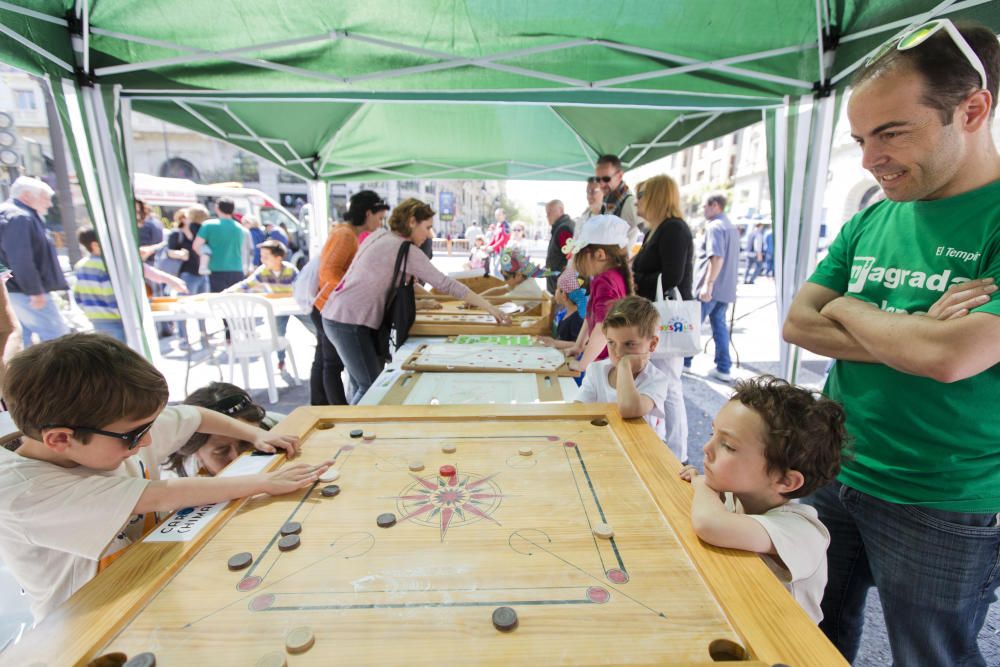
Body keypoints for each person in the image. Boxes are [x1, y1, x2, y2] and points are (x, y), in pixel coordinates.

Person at [782, 20, 1000, 665]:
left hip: (944, 499)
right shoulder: (875, 214)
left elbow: (951, 357)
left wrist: (850, 309)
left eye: (892, 132)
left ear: (972, 110)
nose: (870, 159)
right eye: (859, 139)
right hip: (834, 469)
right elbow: (797, 322)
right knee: (810, 632)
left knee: (931, 654)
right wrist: (914, 333)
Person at [0, 333, 329, 623]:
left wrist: (253, 435)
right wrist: (262, 483)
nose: (146, 442)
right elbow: (160, 495)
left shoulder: (107, 424)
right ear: (60, 439)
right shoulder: (23, 492)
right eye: (134, 435)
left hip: (147, 582)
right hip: (84, 621)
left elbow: (196, 416)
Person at [678, 376, 846, 624]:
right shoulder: (736, 495)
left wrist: (702, 484)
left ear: (785, 481)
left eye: (728, 446)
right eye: (713, 433)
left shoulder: (802, 532)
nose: (706, 448)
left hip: (785, 647)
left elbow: (709, 524)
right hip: (744, 615)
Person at [322, 198, 511, 404]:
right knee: (371, 387)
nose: (429, 234)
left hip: (336, 313)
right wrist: (489, 308)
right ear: (412, 221)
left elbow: (399, 280)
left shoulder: (380, 236)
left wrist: (429, 300)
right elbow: (446, 283)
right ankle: (352, 431)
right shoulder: (405, 249)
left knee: (362, 383)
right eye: (427, 227)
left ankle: (355, 426)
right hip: (349, 320)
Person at [632, 175, 695, 463]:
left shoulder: (674, 229)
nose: (638, 201)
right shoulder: (656, 230)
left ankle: (677, 453)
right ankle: (664, 446)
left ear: (657, 196)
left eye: (642, 194)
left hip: (667, 319)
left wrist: (637, 277)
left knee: (669, 383)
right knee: (659, 379)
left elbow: (672, 276)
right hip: (654, 316)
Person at [311, 190, 389, 406]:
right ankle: (339, 413)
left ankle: (336, 410)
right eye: (379, 218)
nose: (380, 223)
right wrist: (352, 293)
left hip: (332, 307)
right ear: (367, 213)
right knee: (335, 366)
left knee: (339, 368)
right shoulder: (344, 234)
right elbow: (328, 272)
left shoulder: (347, 233)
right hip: (332, 308)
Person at [544, 214, 633, 374]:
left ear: (599, 255)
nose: (578, 261)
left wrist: (582, 364)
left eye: (581, 253)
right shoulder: (605, 277)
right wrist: (578, 346)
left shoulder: (606, 281)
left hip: (604, 363)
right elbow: (591, 315)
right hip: (602, 358)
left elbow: (602, 328)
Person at [574, 295, 669, 439]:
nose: (618, 353)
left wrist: (624, 365)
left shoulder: (656, 380)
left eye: (629, 344)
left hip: (641, 452)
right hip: (604, 444)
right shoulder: (596, 371)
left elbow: (629, 409)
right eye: (611, 342)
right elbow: (578, 409)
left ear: (652, 344)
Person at [0, 177, 69, 346]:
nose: (49, 204)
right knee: (59, 341)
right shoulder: (19, 217)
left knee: (21, 341)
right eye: (45, 198)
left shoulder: (14, 215)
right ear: (27, 196)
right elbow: (21, 258)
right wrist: (34, 291)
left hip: (14, 290)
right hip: (24, 291)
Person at [162, 382, 280, 478]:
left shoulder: (280, 425)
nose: (237, 458)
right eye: (222, 451)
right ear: (196, 454)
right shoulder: (174, 483)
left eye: (247, 443)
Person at [684, 194, 740, 382]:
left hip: (711, 288)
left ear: (715, 205)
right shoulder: (730, 226)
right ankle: (723, 366)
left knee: (693, 325)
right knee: (719, 326)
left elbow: (716, 257)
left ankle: (685, 361)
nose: (702, 210)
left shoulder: (715, 227)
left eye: (704, 206)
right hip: (725, 288)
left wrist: (708, 285)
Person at [225, 239, 298, 371]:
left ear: (278, 258)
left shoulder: (290, 270)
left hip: (295, 305)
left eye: (266, 257)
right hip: (278, 308)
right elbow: (245, 285)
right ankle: (281, 360)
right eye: (261, 256)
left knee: (315, 328)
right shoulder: (263, 271)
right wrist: (226, 292)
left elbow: (301, 287)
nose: (262, 259)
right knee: (279, 333)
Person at [73, 228, 126, 343]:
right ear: (95, 245)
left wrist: (89, 311)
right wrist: (124, 314)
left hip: (95, 318)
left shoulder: (80, 266)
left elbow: (77, 296)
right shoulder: (104, 266)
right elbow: (110, 295)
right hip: (114, 319)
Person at [168, 204, 211, 346]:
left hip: (201, 274)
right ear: (182, 219)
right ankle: (183, 337)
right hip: (186, 274)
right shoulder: (176, 234)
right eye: (186, 217)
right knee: (183, 307)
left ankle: (204, 335)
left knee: (202, 308)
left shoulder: (200, 231)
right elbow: (168, 251)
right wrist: (179, 254)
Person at [193, 197, 249, 293]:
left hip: (216, 270)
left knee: (218, 303)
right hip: (237, 270)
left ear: (217, 208)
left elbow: (196, 246)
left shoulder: (208, 225)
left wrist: (205, 255)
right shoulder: (241, 228)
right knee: (235, 302)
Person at [594, 155, 640, 246]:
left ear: (619, 176)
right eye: (598, 179)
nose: (602, 184)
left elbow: (650, 232)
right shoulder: (605, 203)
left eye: (606, 179)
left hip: (621, 259)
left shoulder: (630, 202)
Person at [544, 199, 574, 294]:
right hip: (558, 287)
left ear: (560, 210)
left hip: (560, 290)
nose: (547, 216)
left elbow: (571, 259)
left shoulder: (563, 230)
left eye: (550, 212)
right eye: (546, 213)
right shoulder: (561, 227)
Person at [486, 208, 510, 277]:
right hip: (496, 252)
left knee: (498, 271)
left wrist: (493, 247)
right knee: (495, 271)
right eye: (496, 215)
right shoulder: (498, 225)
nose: (497, 217)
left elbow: (504, 239)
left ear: (504, 215)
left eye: (499, 215)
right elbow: (494, 238)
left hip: (503, 252)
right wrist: (487, 246)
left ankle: (503, 286)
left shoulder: (506, 226)